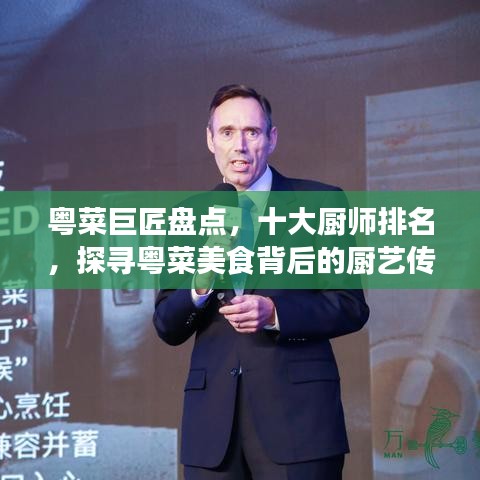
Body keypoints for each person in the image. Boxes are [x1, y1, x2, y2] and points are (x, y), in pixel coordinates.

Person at [153, 84, 369, 479]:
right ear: (210, 141)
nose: (239, 146)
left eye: (251, 132)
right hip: (212, 433)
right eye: (227, 132)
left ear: (271, 139)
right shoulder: (187, 215)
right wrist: (200, 286)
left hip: (299, 424)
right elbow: (167, 324)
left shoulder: (319, 203)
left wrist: (275, 313)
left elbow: (350, 306)